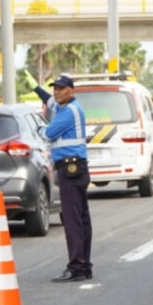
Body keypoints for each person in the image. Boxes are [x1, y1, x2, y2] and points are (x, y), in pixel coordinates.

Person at [35, 75, 94, 283]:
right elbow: (49, 100)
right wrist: (36, 88)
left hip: (71, 169)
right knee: (81, 218)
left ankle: (77, 266)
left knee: (72, 220)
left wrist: (39, 129)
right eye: (55, 89)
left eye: (61, 88)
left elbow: (49, 134)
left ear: (71, 90)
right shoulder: (64, 105)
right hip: (76, 167)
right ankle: (84, 265)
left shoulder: (68, 111)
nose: (56, 92)